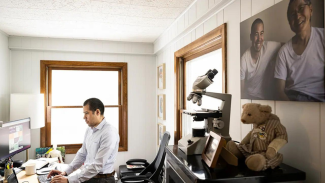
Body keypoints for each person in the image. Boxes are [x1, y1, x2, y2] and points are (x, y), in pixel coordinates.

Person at [48, 98, 120, 183]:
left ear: (97, 112)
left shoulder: (109, 132)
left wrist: (68, 180)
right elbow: (82, 154)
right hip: (89, 177)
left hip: (102, 180)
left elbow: (97, 165)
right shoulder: (89, 130)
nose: (84, 117)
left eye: (86, 113)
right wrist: (66, 172)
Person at [274, 0, 325, 101]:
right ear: (289, 23)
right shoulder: (283, 52)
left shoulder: (322, 37)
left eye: (301, 8)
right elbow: (279, 91)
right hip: (292, 101)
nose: (297, 17)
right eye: (292, 14)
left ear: (310, 9)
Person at [241, 18, 281, 100]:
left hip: (266, 99)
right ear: (251, 37)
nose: (259, 38)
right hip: (250, 99)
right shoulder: (244, 59)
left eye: (261, 33)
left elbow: (286, 46)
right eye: (256, 34)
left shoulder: (269, 46)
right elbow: (241, 92)